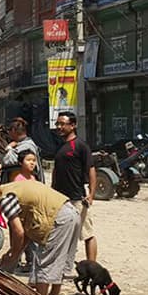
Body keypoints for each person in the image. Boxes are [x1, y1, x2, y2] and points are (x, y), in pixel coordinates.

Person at [0, 179, 78, 295]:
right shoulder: (14, 187)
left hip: (59, 218)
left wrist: (13, 255)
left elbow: (18, 232)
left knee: (44, 263)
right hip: (71, 212)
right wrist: (12, 253)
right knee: (59, 259)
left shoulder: (6, 200)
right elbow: (25, 235)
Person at [52, 111, 98, 267]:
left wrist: (91, 194)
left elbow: (91, 169)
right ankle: (62, 265)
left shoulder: (80, 146)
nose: (59, 127)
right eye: (57, 123)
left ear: (73, 125)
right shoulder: (60, 146)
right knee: (61, 233)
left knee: (87, 233)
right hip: (60, 199)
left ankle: (92, 267)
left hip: (77, 198)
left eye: (62, 124)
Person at [1, 117, 44, 182]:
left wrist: (9, 148)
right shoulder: (21, 145)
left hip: (24, 184)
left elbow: (8, 161)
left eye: (9, 130)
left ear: (13, 130)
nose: (8, 133)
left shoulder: (26, 146)